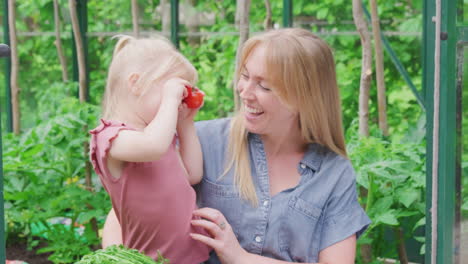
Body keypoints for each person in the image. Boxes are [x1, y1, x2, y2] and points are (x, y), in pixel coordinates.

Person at [103, 28, 371, 263]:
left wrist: (239, 257)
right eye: (245, 76)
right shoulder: (202, 141)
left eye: (264, 87)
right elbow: (125, 215)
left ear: (305, 98)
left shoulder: (333, 174)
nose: (244, 91)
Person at [89, 35, 211, 263]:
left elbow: (193, 174)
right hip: (148, 258)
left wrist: (186, 123)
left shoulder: (159, 138)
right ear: (135, 83)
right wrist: (170, 99)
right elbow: (152, 146)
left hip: (189, 257)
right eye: (169, 91)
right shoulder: (112, 137)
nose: (176, 101)